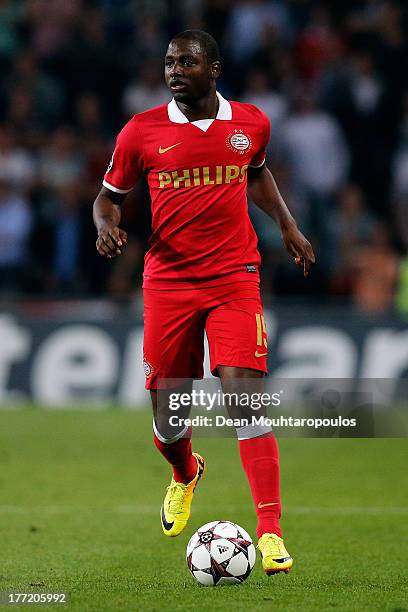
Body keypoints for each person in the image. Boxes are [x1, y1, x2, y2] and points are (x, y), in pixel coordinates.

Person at [93, 30, 315, 576]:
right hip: (168, 282)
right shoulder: (140, 132)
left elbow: (256, 172)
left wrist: (286, 224)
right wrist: (106, 226)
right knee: (170, 420)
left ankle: (269, 531)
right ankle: (186, 471)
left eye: (186, 62)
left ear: (213, 68)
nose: (174, 70)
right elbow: (107, 198)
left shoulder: (251, 123)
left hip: (234, 276)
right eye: (169, 62)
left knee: (244, 395)